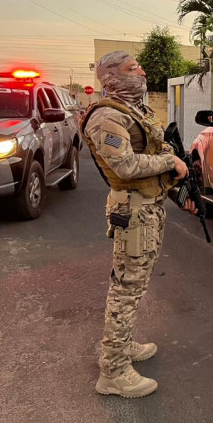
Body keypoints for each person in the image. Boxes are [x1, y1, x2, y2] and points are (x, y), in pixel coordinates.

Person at [82, 51, 195, 398]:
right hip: (134, 210)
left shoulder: (132, 111)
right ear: (112, 77)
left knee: (134, 283)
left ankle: (122, 344)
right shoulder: (106, 118)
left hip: (146, 207)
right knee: (126, 287)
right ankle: (113, 370)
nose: (142, 72)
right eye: (133, 68)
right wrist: (168, 161)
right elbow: (126, 167)